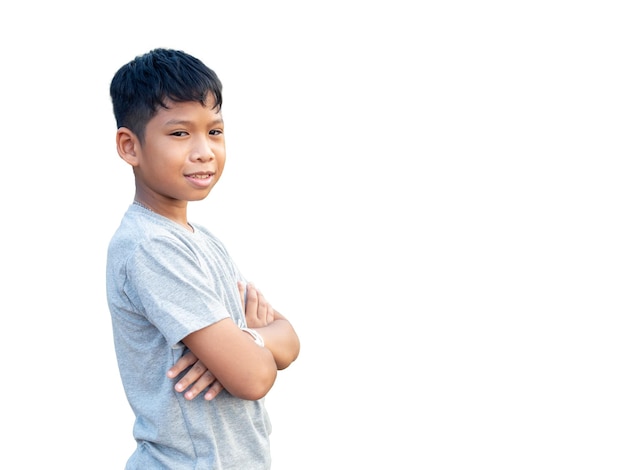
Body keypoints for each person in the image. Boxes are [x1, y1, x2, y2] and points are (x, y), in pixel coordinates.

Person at [106, 48, 300, 469]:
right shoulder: (151, 247)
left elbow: (289, 341)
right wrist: (246, 349)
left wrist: (245, 340)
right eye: (179, 134)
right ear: (129, 146)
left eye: (214, 131)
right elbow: (254, 376)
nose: (204, 151)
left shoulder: (202, 240)